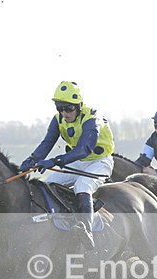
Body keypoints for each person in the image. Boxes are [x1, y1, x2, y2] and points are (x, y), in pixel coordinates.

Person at [19, 81, 115, 250]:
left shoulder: (92, 117)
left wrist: (55, 161)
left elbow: (84, 149)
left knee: (82, 186)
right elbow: (47, 143)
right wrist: (30, 161)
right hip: (77, 162)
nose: (64, 113)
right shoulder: (58, 119)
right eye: (60, 108)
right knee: (47, 184)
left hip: (100, 161)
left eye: (68, 108)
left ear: (79, 105)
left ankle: (87, 230)